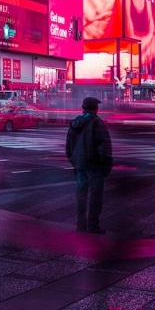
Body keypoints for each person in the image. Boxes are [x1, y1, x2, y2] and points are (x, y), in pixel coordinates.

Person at [65, 97, 113, 234]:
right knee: (95, 196)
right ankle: (93, 225)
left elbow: (68, 146)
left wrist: (73, 160)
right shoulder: (97, 123)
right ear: (95, 108)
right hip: (95, 165)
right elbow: (104, 146)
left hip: (79, 164)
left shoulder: (75, 122)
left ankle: (80, 224)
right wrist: (107, 164)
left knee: (81, 195)